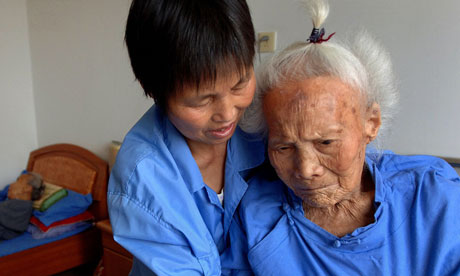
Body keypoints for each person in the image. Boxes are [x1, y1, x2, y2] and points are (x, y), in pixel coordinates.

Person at [235, 0, 460, 274]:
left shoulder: (433, 195)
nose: (306, 169)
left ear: (371, 123)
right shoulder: (255, 212)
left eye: (326, 142)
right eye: (284, 147)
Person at [107, 0, 264, 275]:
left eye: (240, 84)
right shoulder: (143, 177)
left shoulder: (264, 121)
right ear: (154, 90)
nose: (228, 114)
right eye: (201, 101)